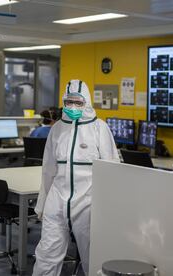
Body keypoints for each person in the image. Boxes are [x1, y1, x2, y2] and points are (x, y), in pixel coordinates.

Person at [33, 79, 119, 275]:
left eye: (78, 102)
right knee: (46, 254)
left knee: (93, 258)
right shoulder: (57, 129)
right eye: (69, 102)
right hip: (57, 201)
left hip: (88, 203)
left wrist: (110, 209)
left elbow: (112, 171)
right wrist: (42, 203)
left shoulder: (99, 128)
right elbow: (48, 170)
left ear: (86, 102)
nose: (73, 106)